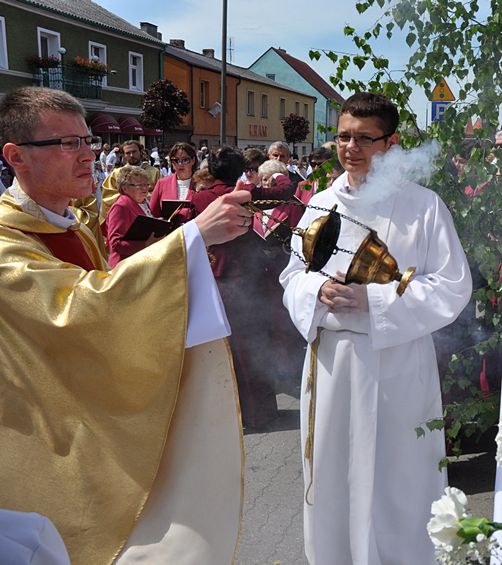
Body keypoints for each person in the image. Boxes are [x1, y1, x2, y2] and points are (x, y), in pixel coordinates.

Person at [0, 87, 252, 564]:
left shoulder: (68, 224)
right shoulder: (6, 242)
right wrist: (191, 239)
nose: (87, 154)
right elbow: (78, 310)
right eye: (66, 144)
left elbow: (107, 300)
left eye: (86, 140)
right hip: (41, 438)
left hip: (84, 416)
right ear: (16, 157)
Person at [279, 92, 472, 564]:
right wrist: (314, 293)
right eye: (344, 136)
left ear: (391, 143)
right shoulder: (320, 203)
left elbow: (452, 286)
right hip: (332, 364)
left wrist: (375, 300)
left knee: (398, 478)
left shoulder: (423, 207)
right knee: (332, 473)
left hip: (396, 364)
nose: (351, 147)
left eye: (365, 138)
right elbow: (291, 276)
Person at [193, 146, 295, 430]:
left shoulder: (200, 196)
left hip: (214, 276)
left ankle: (228, 411)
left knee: (222, 349)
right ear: (240, 170)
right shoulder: (244, 193)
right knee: (251, 347)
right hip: (245, 278)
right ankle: (259, 413)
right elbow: (285, 193)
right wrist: (278, 175)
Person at [105, 165, 159, 267]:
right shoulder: (120, 207)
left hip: (140, 264)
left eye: (146, 184)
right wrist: (145, 244)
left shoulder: (144, 202)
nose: (145, 189)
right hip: (124, 267)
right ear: (125, 188)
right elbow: (116, 244)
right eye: (140, 185)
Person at [99, 140, 162, 221]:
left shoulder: (154, 172)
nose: (132, 155)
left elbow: (160, 194)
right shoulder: (116, 174)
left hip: (149, 215)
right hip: (125, 216)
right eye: (128, 153)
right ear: (124, 155)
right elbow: (108, 197)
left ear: (140, 152)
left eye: (134, 152)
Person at [149, 142, 199, 225]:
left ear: (193, 160)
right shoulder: (162, 183)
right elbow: (153, 213)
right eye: (175, 160)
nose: (180, 164)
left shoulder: (200, 183)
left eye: (185, 160)